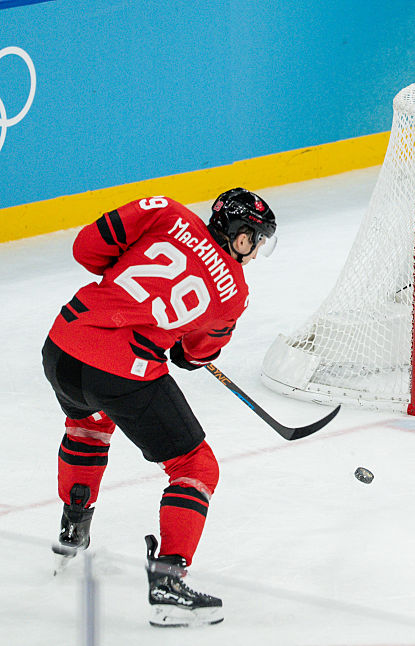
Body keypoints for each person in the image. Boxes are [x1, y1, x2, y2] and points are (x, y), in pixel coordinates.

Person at [42, 187, 277, 627]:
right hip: (118, 368)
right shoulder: (234, 292)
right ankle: (168, 584)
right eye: (255, 240)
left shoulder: (164, 211)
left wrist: (126, 291)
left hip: (63, 344)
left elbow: (85, 248)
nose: (255, 251)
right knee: (196, 466)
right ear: (240, 236)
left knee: (88, 424)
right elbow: (194, 356)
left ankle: (73, 530)